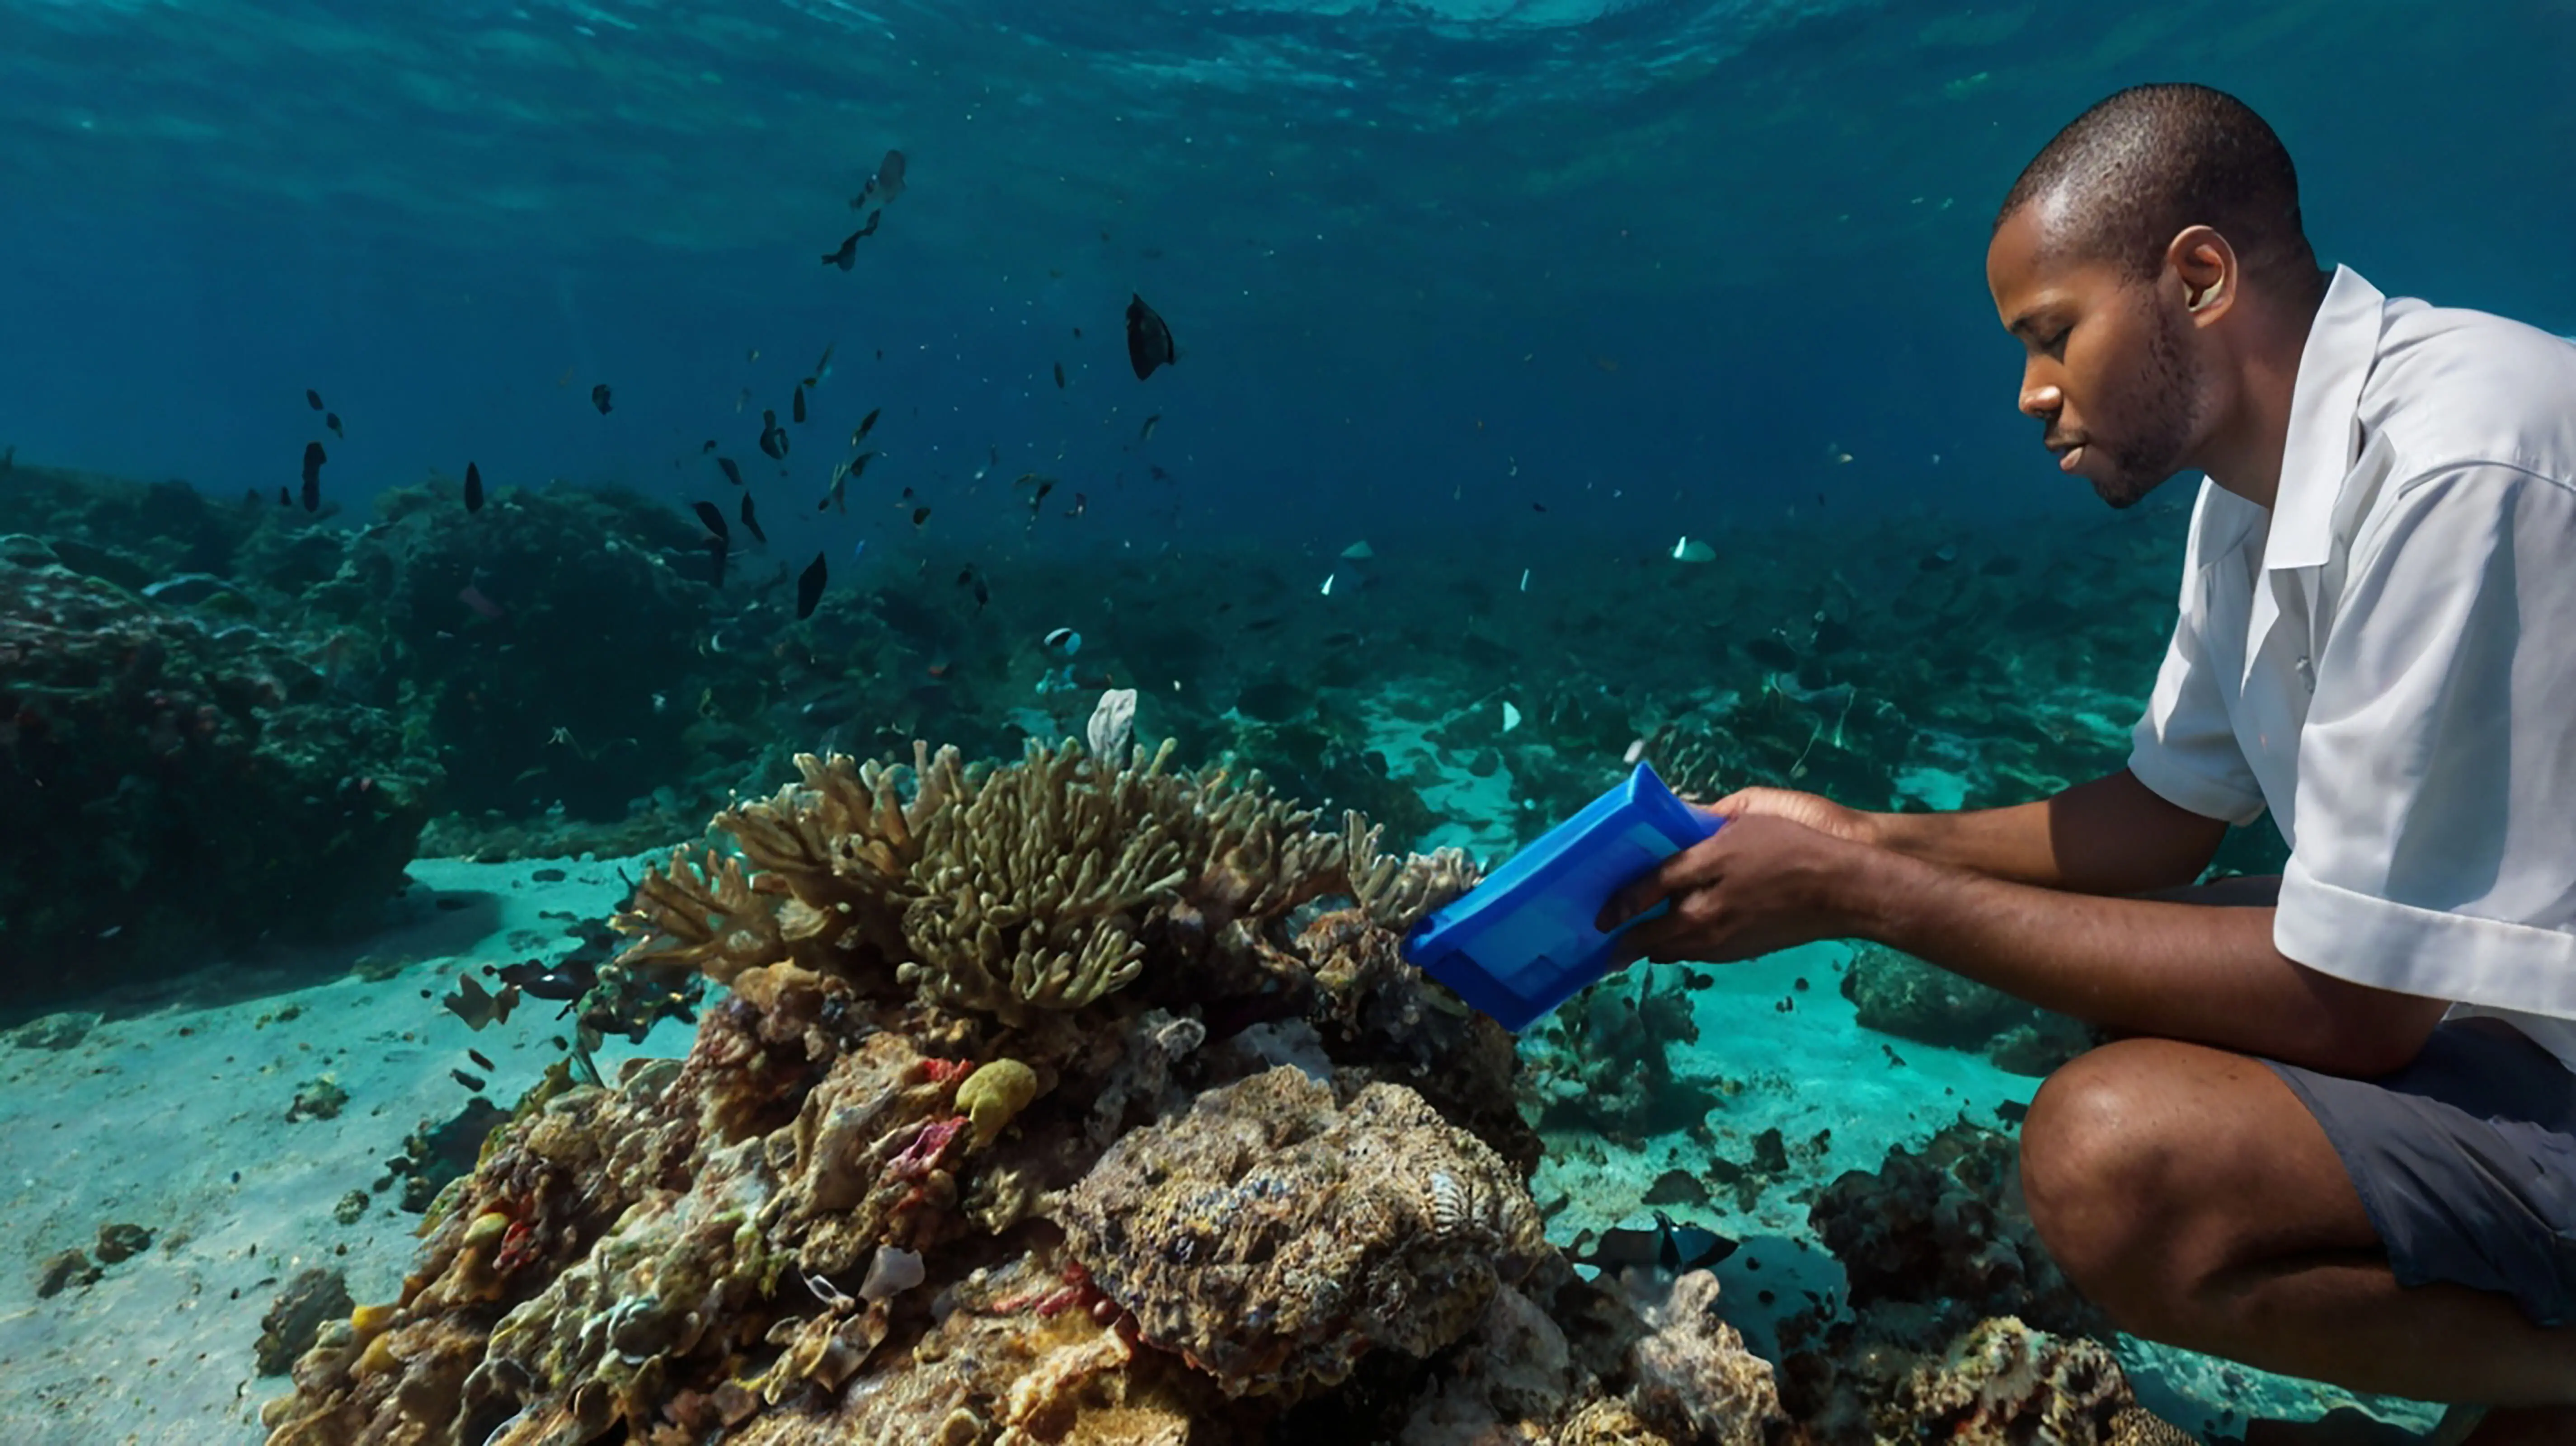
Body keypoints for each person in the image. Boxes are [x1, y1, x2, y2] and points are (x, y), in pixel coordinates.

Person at [1598, 83, 2576, 1444]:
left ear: (2195, 276)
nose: (2027, 393)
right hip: (2534, 1023)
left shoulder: (2457, 464)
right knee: (2142, 972)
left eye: (2050, 334)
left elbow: (2354, 1011)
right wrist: (1858, 834)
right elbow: (2159, 823)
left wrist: (1854, 900)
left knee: (2109, 1152)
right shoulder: (2257, 489)